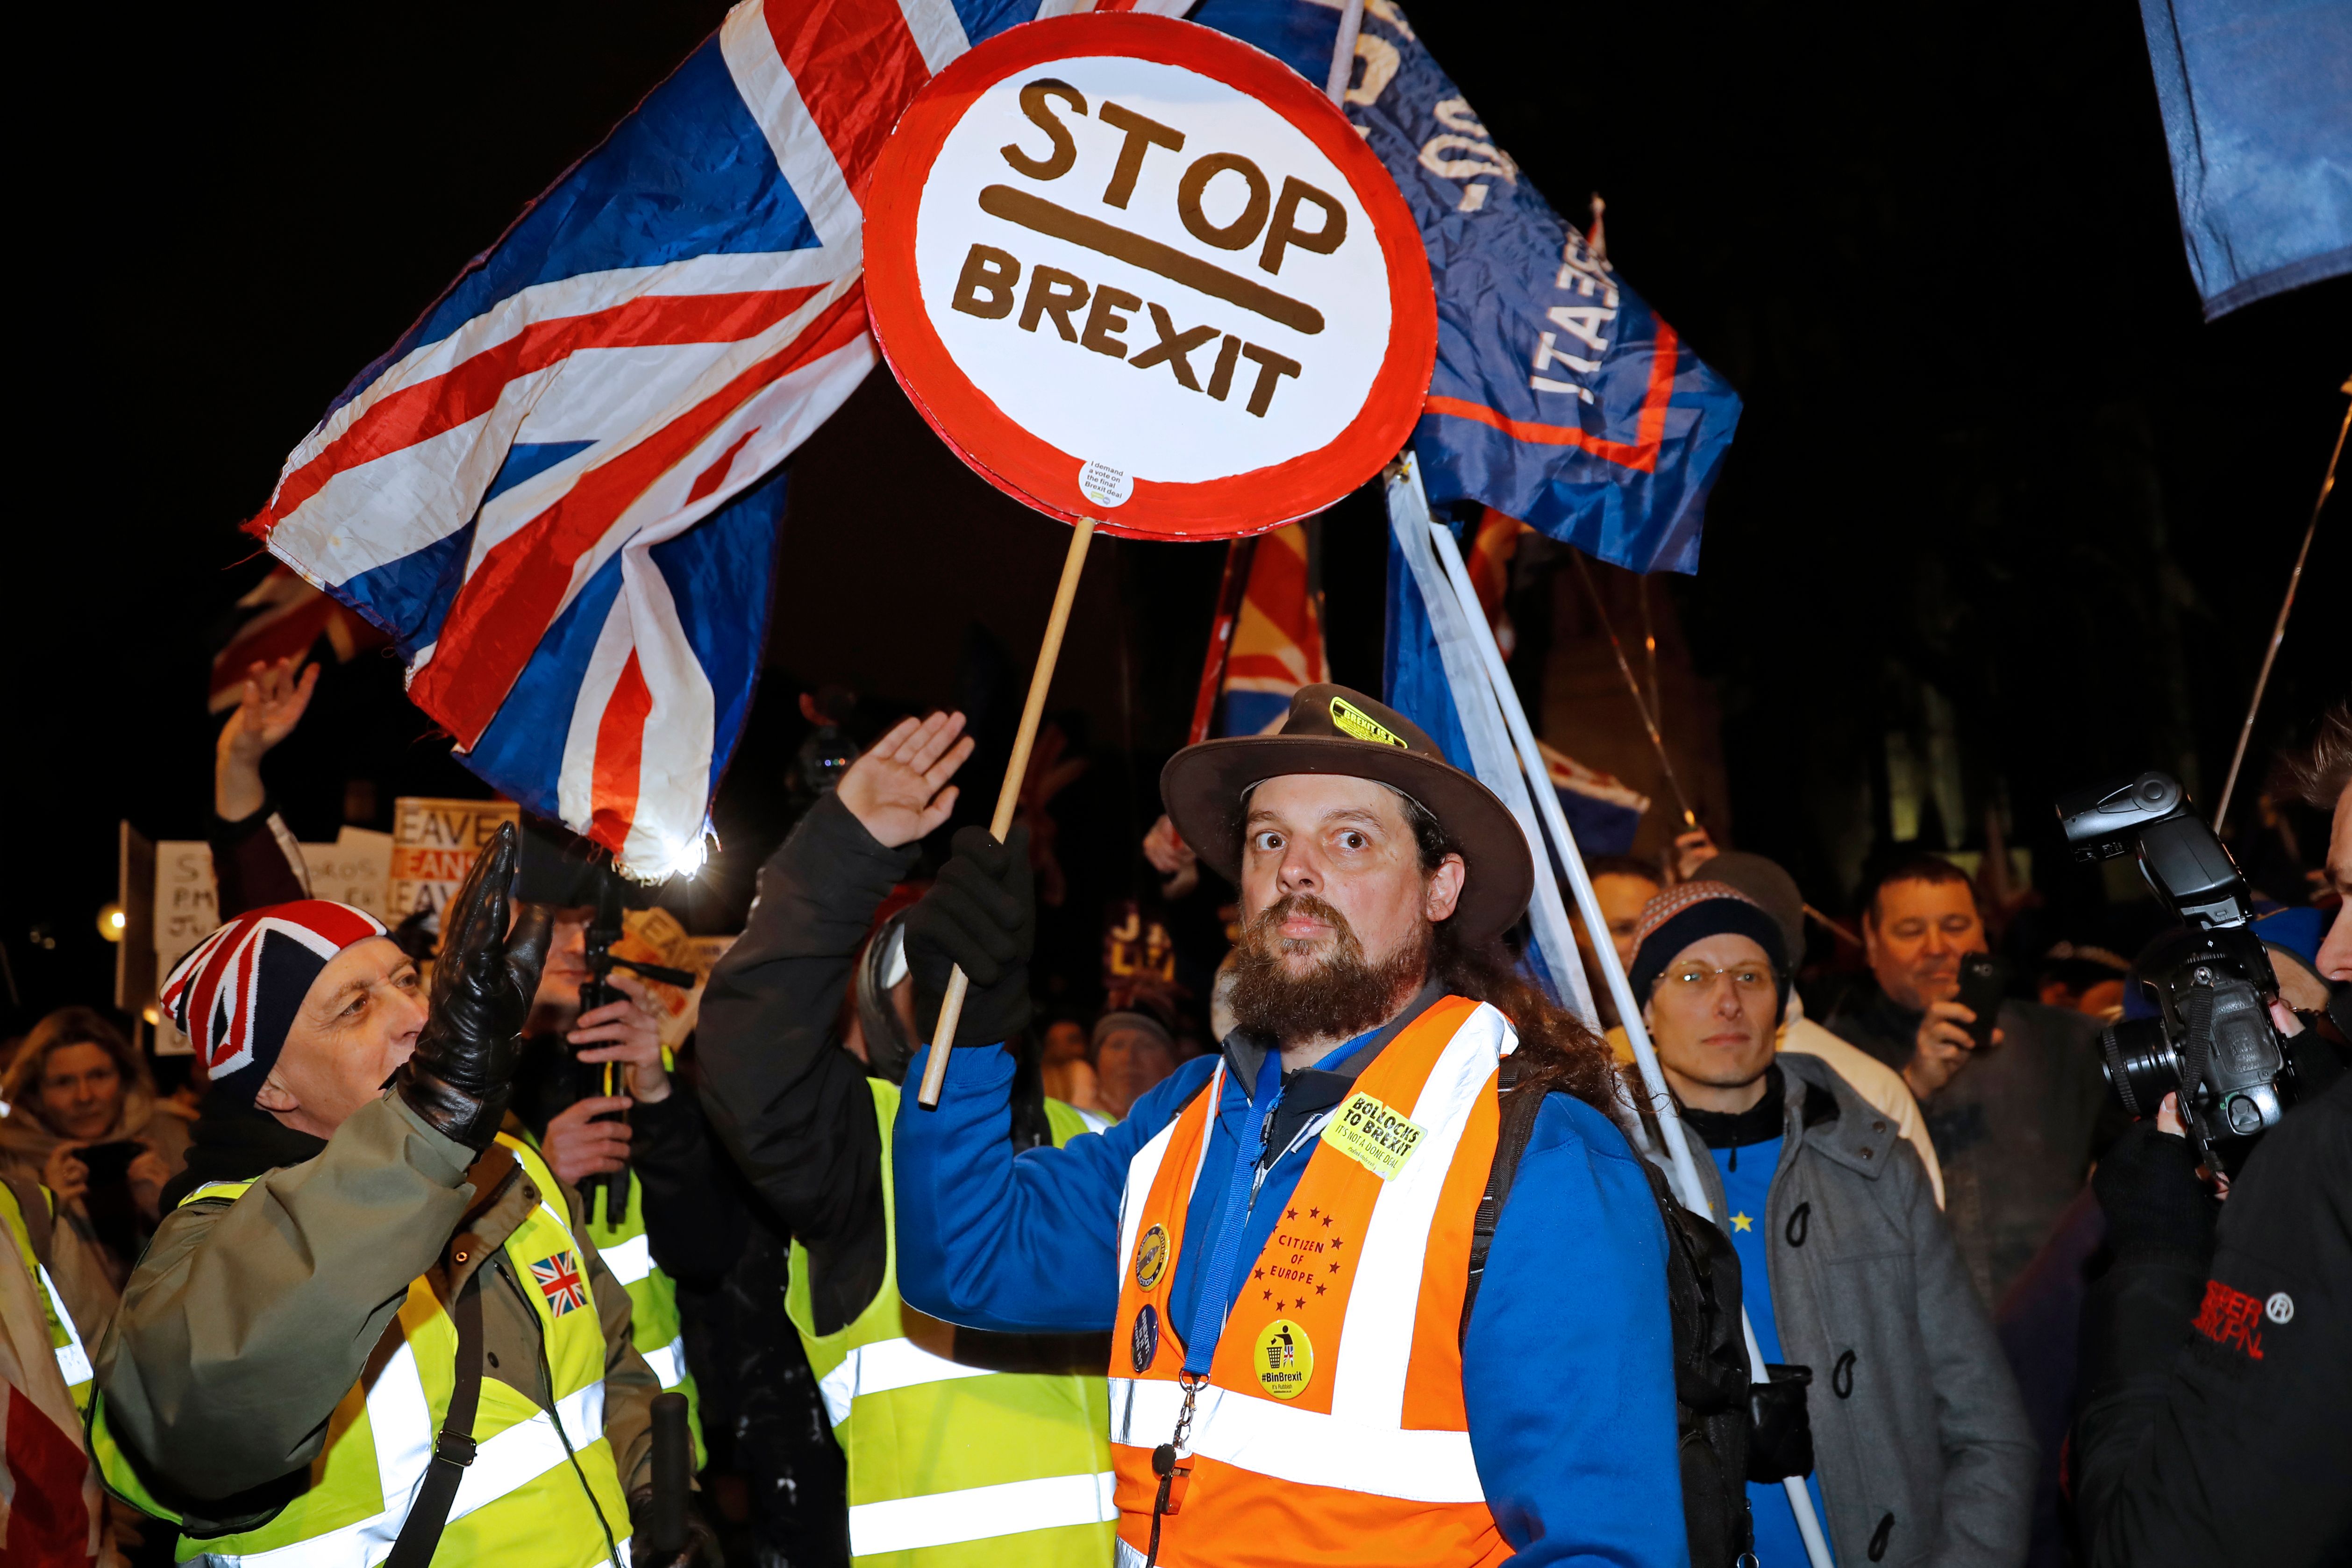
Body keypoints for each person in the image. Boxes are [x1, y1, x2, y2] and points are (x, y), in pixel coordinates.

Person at [892, 684, 1683, 1568]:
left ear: (1439, 886)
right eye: (1269, 838)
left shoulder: (1535, 1155)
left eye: (1349, 838)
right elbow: (964, 1264)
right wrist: (970, 1025)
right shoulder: (1182, 1121)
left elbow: (1604, 1548)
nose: (1294, 870)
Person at [92, 827, 691, 1566]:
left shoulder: (514, 1172)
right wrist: (428, 1128)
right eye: (353, 1008)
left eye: (408, 982)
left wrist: (652, 1500)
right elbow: (212, 1411)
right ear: (272, 1086)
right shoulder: (206, 1250)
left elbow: (611, 1361)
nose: (416, 1017)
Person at [696, 711, 1120, 1567]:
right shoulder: (863, 1151)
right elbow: (751, 1060)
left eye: (960, 968)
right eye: (917, 981)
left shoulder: (1099, 1143)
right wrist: (844, 848)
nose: (945, 991)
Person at [1622, 881, 2033, 1566]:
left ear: (1781, 1003)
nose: (1726, 1000)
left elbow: (1986, 1427)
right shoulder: (1609, 1177)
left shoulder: (1874, 1166)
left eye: (1749, 976)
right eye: (1692, 976)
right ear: (1644, 1007)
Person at [2073, 702, 2352, 1568]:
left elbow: (2151, 1546)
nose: (2336, 952)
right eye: (2334, 896)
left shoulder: (2324, 1167)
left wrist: (2159, 1249)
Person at [505, 824, 745, 1469]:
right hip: (522, 1454)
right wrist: (541, 1182)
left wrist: (657, 1090)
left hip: (655, 1444)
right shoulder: (458, 1094)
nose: (579, 943)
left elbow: (706, 1253)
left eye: (589, 922)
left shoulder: (632, 1065)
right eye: (550, 922)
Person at [1827, 854, 2108, 1304]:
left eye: (1956, 925)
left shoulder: (2067, 1043)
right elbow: (1824, 1192)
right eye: (1911, 931)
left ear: (1984, 935)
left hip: (2057, 1324)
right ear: (1872, 943)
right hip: (1914, 1335)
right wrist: (1911, 1087)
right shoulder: (1829, 1058)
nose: (1936, 946)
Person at [1703, 851, 1944, 1205]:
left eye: (1746, 968)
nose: (1727, 995)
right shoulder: (1630, 1076)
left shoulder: (1867, 1088)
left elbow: (1920, 1241)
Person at [0, 1007, 190, 1290]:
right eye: (64, 1082)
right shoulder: (11, 1163)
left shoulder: (171, 1137)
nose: (85, 1096)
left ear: (125, 1080)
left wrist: (171, 1209)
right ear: (35, 1094)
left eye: (99, 1075)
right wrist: (44, 1213)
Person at [1571, 852, 1662, 1026]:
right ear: (1575, 933)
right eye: (1623, 929)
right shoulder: (1554, 1030)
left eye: (1652, 927)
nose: (1642, 944)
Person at [1090, 1009, 1177, 1120]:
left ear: (1171, 1062)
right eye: (1117, 1046)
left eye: (1145, 1046)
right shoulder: (1072, 1122)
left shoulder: (1193, 1123)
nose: (1128, 1058)